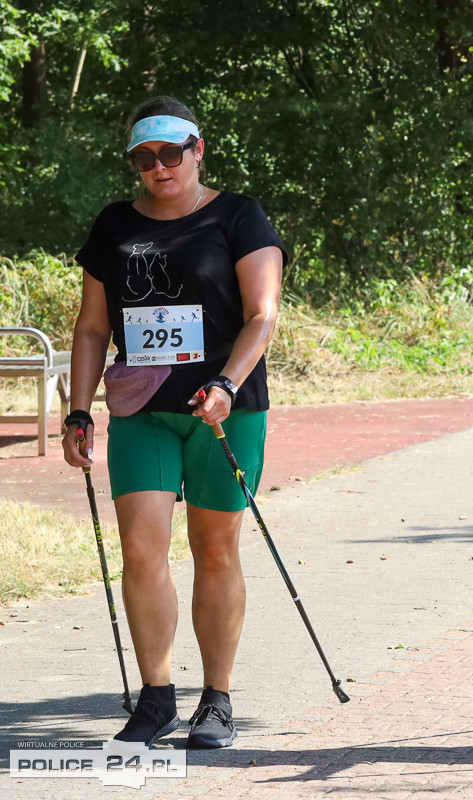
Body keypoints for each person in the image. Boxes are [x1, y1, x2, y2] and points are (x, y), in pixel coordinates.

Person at [61, 96, 286, 748]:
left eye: (171, 153)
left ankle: (216, 699)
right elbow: (93, 326)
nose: (159, 167)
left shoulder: (238, 216)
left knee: (215, 549)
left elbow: (263, 315)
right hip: (142, 412)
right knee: (140, 550)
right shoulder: (114, 226)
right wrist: (78, 411)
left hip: (224, 411)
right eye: (144, 158)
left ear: (197, 148)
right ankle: (156, 697)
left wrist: (226, 382)